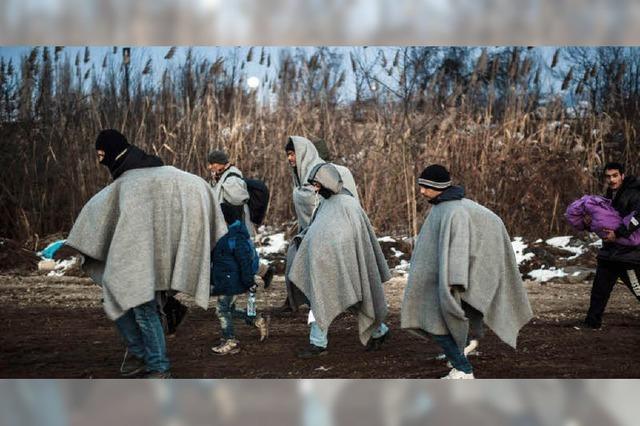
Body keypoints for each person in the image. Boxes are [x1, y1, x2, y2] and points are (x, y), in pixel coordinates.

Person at [56, 129, 227, 378]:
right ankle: (140, 354)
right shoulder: (129, 178)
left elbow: (185, 193)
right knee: (116, 300)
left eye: (102, 154)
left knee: (144, 310)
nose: (100, 160)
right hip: (136, 257)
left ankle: (158, 367)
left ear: (113, 151)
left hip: (146, 258)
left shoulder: (139, 178)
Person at [401, 164, 532, 379]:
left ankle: (463, 370)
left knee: (437, 324)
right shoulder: (443, 207)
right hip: (436, 281)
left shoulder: (454, 210)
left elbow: (463, 243)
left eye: (426, 187)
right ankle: (463, 353)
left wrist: (455, 279)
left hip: (447, 282)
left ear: (439, 187)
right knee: (439, 321)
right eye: (421, 186)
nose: (422, 191)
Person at [287, 163, 390, 358]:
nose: (315, 189)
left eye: (317, 184)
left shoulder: (348, 205)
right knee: (332, 298)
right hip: (325, 263)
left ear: (327, 182)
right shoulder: (326, 203)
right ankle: (378, 330)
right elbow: (318, 228)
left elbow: (352, 236)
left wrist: (331, 249)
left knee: (348, 298)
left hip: (345, 261)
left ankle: (319, 343)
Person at [281, 136, 359, 314]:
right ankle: (312, 306)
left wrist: (300, 195)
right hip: (312, 230)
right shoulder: (302, 172)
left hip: (331, 230)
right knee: (297, 261)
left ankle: (327, 311)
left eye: (293, 154)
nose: (290, 158)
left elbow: (318, 199)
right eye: (288, 155)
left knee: (330, 271)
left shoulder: (321, 171)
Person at [207, 150, 275, 288]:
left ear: (220, 164)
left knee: (242, 254)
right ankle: (265, 271)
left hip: (234, 225)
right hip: (230, 226)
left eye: (212, 164)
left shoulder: (232, 178)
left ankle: (257, 275)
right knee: (244, 254)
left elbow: (237, 199)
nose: (209, 167)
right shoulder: (221, 177)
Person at [583, 162, 640, 329]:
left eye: (615, 176)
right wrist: (589, 223)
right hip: (610, 252)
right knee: (599, 291)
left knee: (639, 290)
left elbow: (637, 217)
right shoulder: (610, 194)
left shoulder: (634, 194)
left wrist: (618, 233)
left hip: (628, 255)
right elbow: (606, 219)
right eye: (608, 176)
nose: (612, 180)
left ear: (622, 175)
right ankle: (591, 324)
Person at [210, 213, 270, 355]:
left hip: (231, 282)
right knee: (228, 310)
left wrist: (249, 282)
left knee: (222, 310)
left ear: (224, 219)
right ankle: (257, 319)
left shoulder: (235, 238)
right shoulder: (227, 236)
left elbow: (244, 263)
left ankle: (230, 340)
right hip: (226, 280)